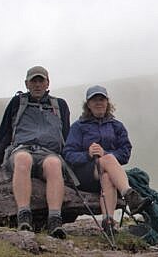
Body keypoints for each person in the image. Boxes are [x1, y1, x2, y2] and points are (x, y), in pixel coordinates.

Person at [0, 66, 71, 238]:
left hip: (49, 153)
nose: (37, 85)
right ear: (26, 83)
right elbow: (5, 133)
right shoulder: (18, 102)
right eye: (34, 81)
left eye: (41, 81)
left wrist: (73, 164)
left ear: (48, 83)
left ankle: (54, 219)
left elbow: (66, 135)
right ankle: (24, 215)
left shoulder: (59, 105)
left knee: (54, 164)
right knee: (23, 159)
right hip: (22, 149)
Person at [63, 85, 151, 235]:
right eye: (94, 100)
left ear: (107, 102)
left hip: (105, 173)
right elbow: (68, 154)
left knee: (108, 176)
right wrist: (87, 154)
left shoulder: (117, 126)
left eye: (102, 99)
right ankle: (129, 194)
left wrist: (105, 153)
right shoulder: (78, 127)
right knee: (108, 159)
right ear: (88, 105)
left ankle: (108, 222)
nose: (98, 103)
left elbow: (125, 153)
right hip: (84, 176)